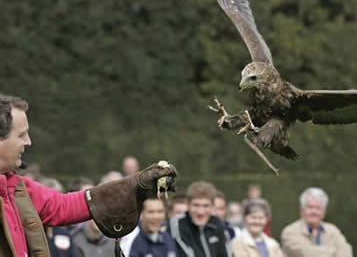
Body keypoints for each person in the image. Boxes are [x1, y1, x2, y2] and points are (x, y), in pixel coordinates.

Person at [0, 93, 177, 256]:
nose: (28, 142)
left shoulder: (15, 187)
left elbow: (63, 206)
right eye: (21, 135)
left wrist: (134, 185)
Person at [281, 187, 352, 257]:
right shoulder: (290, 232)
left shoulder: (333, 230)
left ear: (324, 212)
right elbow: (308, 254)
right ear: (302, 210)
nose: (314, 212)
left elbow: (346, 252)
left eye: (318, 208)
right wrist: (333, 251)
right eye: (310, 207)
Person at [168, 181, 230, 257]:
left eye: (205, 206)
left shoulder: (217, 224)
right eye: (196, 205)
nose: (200, 212)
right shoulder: (176, 224)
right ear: (188, 205)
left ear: (212, 206)